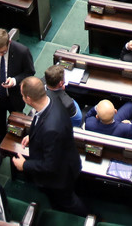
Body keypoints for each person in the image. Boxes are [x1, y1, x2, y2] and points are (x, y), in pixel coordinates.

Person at [11, 77, 87, 215]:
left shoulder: (51, 129)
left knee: (67, 202)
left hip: (60, 176)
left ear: (28, 99)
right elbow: (41, 121)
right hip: (64, 156)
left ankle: (87, 216)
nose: (21, 98)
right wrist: (32, 136)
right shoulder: (50, 99)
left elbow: (51, 165)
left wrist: (24, 165)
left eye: (22, 95)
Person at [0, 28, 35, 167]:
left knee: (18, 125)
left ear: (9, 42)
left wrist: (15, 81)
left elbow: (29, 73)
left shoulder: (22, 51)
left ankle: (18, 149)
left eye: (2, 52)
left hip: (14, 97)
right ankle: (2, 148)